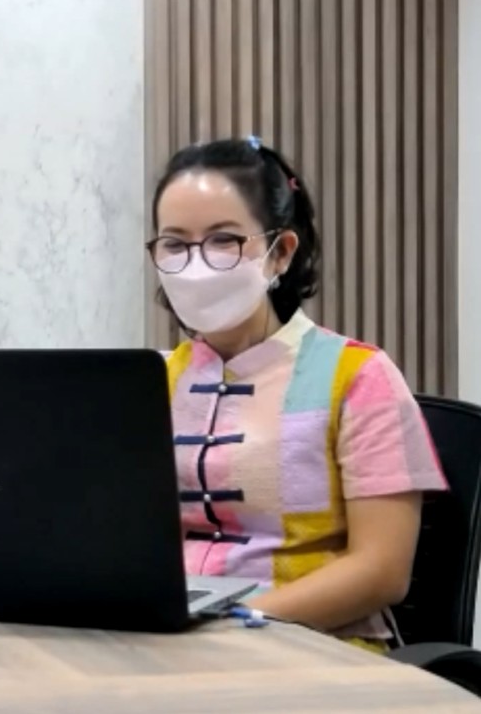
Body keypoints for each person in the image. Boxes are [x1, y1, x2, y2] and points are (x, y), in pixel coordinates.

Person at [148, 136, 448, 651]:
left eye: (223, 240)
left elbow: (382, 570)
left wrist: (239, 619)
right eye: (175, 244)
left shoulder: (358, 376)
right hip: (172, 643)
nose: (196, 264)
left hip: (315, 647)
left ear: (280, 253)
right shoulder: (151, 381)